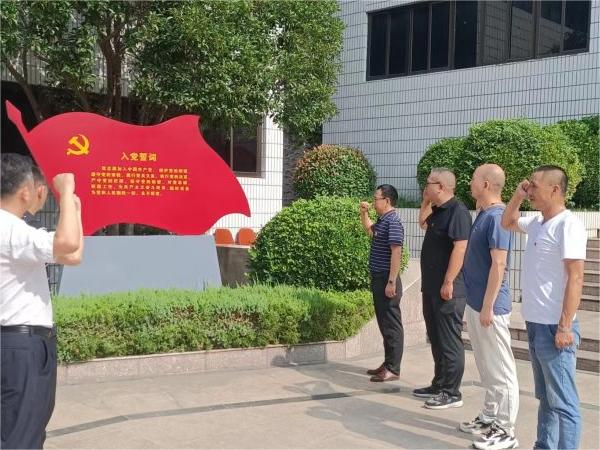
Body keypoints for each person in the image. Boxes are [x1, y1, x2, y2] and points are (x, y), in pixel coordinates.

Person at [1, 153, 84, 449]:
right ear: (25, 191)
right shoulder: (12, 230)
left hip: (20, 343)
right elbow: (68, 244)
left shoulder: (14, 232)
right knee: (20, 436)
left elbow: (72, 255)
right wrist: (68, 190)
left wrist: (73, 208)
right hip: (20, 345)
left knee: (24, 429)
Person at [502, 165, 585, 450]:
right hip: (535, 324)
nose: (530, 190)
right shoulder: (537, 222)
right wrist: (517, 195)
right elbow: (507, 222)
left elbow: (576, 277)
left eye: (534, 186)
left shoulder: (568, 225)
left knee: (564, 402)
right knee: (546, 397)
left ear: (555, 189)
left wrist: (565, 326)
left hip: (555, 327)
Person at [461, 164, 519, 450]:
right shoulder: (485, 213)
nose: (469, 182)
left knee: (501, 370)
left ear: (485, 184)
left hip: (490, 308)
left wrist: (488, 306)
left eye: (474, 179)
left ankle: (506, 431)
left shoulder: (497, 218)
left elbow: (499, 263)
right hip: (477, 303)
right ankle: (490, 417)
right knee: (487, 367)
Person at [414, 168, 471, 409]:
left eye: (428, 184)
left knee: (449, 340)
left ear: (440, 187)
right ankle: (439, 384)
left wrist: (448, 281)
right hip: (431, 286)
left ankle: (451, 391)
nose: (424, 187)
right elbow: (422, 223)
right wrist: (425, 201)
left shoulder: (458, 212)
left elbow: (460, 248)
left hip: (448, 288)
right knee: (436, 337)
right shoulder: (438, 210)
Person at [360, 184, 405, 382]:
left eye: (376, 198)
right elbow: (370, 231)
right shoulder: (383, 220)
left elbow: (396, 252)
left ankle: (393, 368)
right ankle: (388, 363)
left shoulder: (393, 221)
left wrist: (391, 281)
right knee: (384, 323)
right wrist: (364, 213)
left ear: (386, 201)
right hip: (379, 277)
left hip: (387, 278)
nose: (373, 201)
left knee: (391, 325)